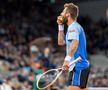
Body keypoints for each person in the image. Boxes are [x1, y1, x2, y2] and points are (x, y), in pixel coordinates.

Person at [57, 3, 90, 90]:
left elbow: (74, 44)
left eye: (63, 12)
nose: (61, 14)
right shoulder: (72, 28)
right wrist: (60, 26)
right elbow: (61, 42)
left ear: (68, 14)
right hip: (80, 65)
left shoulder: (73, 27)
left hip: (78, 65)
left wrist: (66, 60)